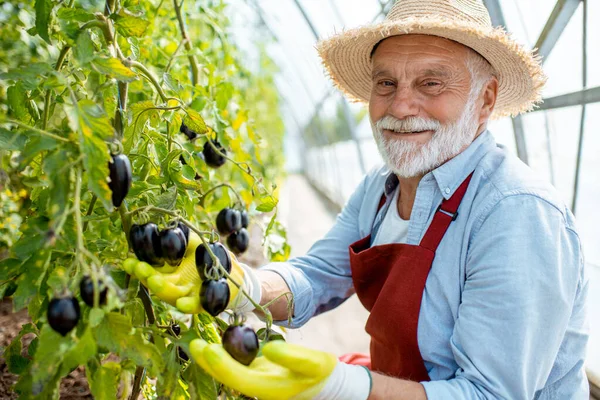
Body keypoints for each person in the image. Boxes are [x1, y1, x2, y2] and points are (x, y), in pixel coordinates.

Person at [126, 0, 590, 398]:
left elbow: (490, 394)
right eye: (385, 84)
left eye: (431, 84)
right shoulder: (381, 187)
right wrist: (244, 287)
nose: (400, 106)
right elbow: (317, 275)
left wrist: (346, 388)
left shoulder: (516, 215)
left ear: (485, 100)